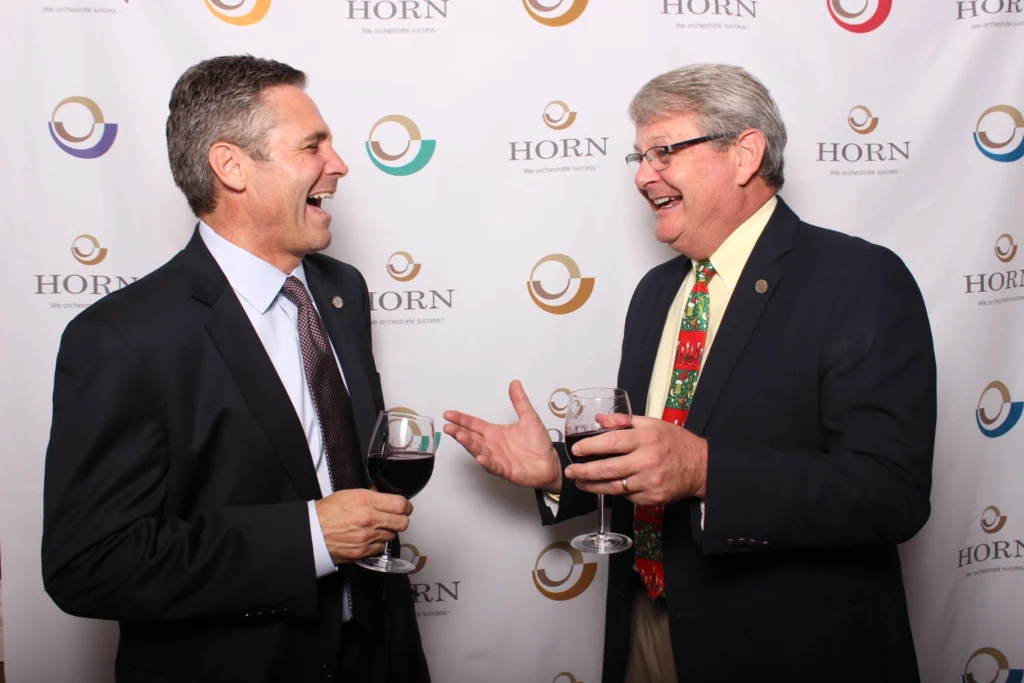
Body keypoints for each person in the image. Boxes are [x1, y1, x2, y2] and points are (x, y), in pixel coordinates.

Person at [444, 63, 935, 683]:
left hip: (787, 651)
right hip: (648, 629)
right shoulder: (657, 293)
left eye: (664, 151)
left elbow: (892, 493)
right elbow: (650, 466)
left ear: (744, 154)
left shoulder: (857, 280)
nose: (643, 175)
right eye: (639, 156)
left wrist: (706, 471)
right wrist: (559, 473)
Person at [41, 55, 429, 683]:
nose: (340, 164)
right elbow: (89, 564)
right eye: (313, 145)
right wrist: (308, 538)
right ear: (231, 166)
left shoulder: (341, 290)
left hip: (376, 655)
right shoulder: (120, 338)